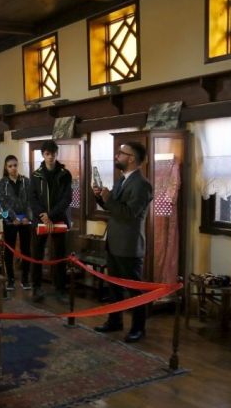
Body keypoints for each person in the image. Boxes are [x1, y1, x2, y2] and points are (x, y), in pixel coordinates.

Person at [92, 142, 153, 343]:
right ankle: (115, 321)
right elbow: (113, 207)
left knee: (134, 289)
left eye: (121, 153)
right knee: (114, 287)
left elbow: (129, 213)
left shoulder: (142, 185)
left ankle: (138, 328)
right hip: (114, 241)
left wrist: (109, 199)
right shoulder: (122, 179)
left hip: (129, 244)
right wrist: (100, 197)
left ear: (132, 158)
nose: (117, 156)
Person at [29, 140, 72, 303]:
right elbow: (32, 198)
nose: (50, 157)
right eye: (47, 154)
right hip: (40, 220)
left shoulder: (65, 174)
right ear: (43, 155)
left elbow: (66, 198)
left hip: (58, 219)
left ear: (56, 154)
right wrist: (43, 215)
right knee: (37, 254)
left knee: (60, 255)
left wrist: (51, 216)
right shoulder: (36, 175)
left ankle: (60, 288)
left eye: (53, 153)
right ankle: (36, 287)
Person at [0, 155, 32, 291]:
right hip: (10, 221)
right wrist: (13, 218)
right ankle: (10, 280)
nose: (13, 168)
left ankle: (25, 279)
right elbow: (3, 202)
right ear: (6, 167)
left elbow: (30, 201)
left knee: (26, 250)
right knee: (9, 250)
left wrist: (28, 217)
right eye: (10, 166)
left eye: (15, 165)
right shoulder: (2, 183)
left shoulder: (26, 181)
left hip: (25, 221)